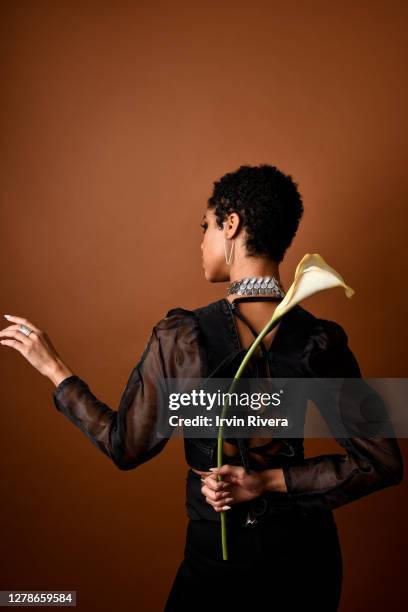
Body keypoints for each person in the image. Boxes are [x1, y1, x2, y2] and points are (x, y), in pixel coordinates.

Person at [0, 164, 403, 611]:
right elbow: (381, 461)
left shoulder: (183, 336)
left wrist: (54, 368)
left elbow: (125, 446)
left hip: (219, 558)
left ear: (232, 225)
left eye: (206, 226)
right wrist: (267, 481)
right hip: (306, 560)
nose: (202, 241)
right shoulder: (318, 339)